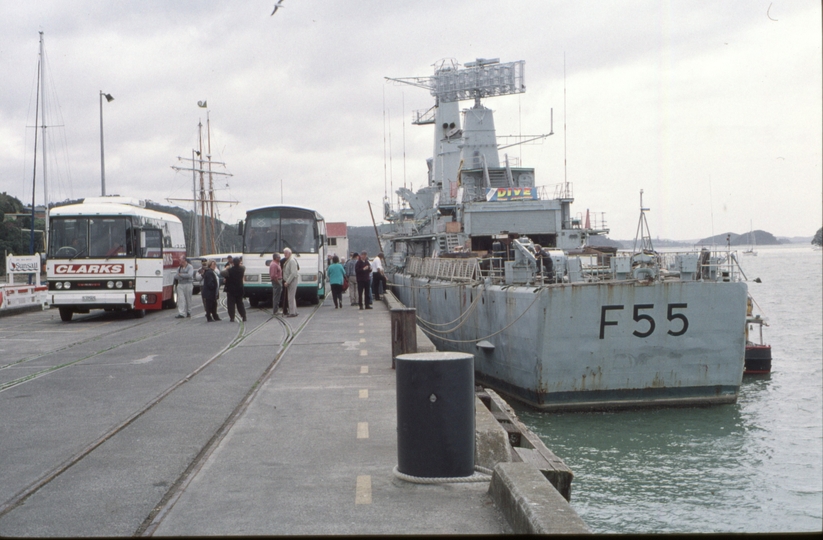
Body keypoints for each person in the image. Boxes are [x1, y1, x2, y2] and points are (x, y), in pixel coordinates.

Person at [221, 256, 247, 322]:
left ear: (233, 263)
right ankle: (244, 316)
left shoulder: (229, 270)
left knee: (231, 304)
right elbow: (243, 267)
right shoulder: (242, 269)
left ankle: (232, 317)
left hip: (231, 289)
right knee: (240, 303)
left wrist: (227, 268)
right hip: (239, 288)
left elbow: (222, 273)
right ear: (239, 263)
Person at [282, 247, 299, 317]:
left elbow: (293, 273)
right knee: (292, 297)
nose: (285, 254)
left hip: (292, 280)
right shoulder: (288, 260)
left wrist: (287, 282)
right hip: (290, 280)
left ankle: (292, 312)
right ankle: (294, 311)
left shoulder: (291, 261)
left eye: (286, 253)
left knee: (290, 297)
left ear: (290, 253)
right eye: (284, 253)